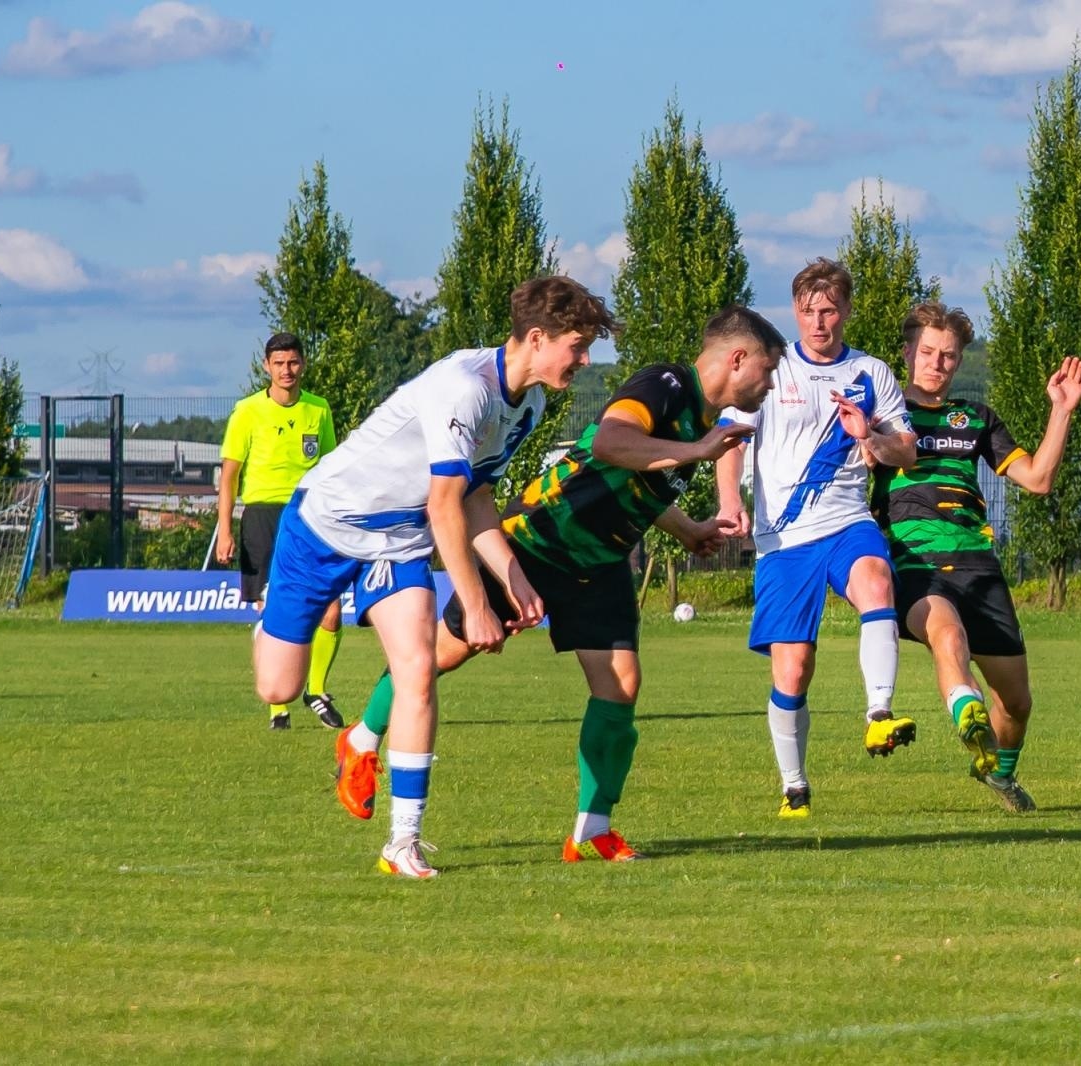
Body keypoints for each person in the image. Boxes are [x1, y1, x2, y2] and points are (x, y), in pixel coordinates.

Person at [334, 306, 784, 862]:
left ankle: (591, 829)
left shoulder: (704, 419)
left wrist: (686, 528)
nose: (769, 383)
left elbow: (634, 481)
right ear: (737, 360)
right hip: (539, 540)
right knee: (435, 658)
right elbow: (610, 444)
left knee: (620, 683)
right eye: (767, 370)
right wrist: (697, 451)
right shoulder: (666, 385)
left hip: (600, 562)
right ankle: (360, 740)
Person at [253, 276, 618, 878]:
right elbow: (443, 505)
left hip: (396, 542)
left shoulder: (529, 402)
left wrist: (512, 576)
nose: (583, 360)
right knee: (277, 688)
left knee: (417, 669)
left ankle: (403, 843)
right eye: (577, 347)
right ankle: (269, 627)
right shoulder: (462, 388)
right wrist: (473, 604)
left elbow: (475, 499)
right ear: (536, 337)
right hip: (323, 524)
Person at [715, 258, 920, 819]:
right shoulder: (771, 372)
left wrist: (872, 434)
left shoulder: (872, 374)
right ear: (795, 313)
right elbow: (731, 441)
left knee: (877, 582)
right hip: (783, 541)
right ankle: (795, 787)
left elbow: (907, 450)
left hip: (847, 522)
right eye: (808, 312)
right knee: (793, 668)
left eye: (829, 310)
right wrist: (730, 501)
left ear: (847, 311)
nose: (819, 322)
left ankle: (879, 714)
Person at [871, 301, 1081, 811]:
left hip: (980, 569)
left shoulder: (974, 418)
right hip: (916, 566)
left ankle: (998, 774)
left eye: (948, 355)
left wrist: (1061, 410)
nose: (937, 363)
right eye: (927, 352)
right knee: (948, 635)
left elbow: (1038, 479)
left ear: (959, 360)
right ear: (907, 353)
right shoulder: (881, 417)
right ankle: (966, 715)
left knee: (1016, 704)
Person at [216, 333, 345, 731]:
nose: (286, 370)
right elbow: (230, 476)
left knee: (332, 611)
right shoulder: (247, 411)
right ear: (266, 366)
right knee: (273, 613)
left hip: (309, 517)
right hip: (263, 517)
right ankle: (278, 708)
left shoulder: (318, 410)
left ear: (303, 364)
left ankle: (316, 691)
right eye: (279, 363)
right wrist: (224, 529)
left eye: (293, 362)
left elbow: (330, 469)